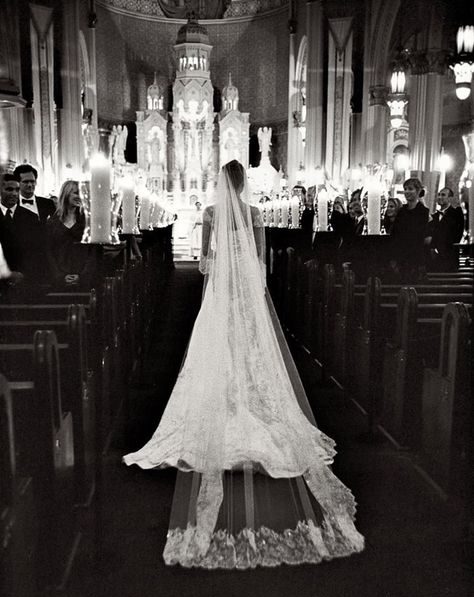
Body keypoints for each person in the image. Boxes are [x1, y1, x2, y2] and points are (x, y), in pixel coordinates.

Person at [123, 160, 364, 569]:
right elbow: (260, 260)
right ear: (243, 184)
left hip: (221, 288)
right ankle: (254, 403)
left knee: (215, 347)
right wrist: (252, 285)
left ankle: (219, 403)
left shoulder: (209, 213)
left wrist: (217, 279)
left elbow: (202, 260)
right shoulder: (252, 214)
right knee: (252, 347)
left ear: (221, 184)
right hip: (246, 289)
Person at [0, 172, 49, 285]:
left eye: (17, 190)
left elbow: (37, 251)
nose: (14, 193)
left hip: (25, 280)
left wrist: (24, 274)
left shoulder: (30, 218)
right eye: (9, 189)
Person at [46, 180, 95, 287]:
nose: (80, 196)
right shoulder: (52, 222)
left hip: (84, 278)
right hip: (59, 279)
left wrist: (83, 276)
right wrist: (59, 276)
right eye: (76, 193)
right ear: (66, 194)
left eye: (82, 193)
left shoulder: (88, 221)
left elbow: (93, 251)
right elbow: (49, 253)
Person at [389, 178, 430, 280]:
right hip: (401, 257)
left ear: (418, 191)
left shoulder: (423, 211)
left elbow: (418, 235)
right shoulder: (402, 211)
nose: (406, 192)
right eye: (405, 189)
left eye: (410, 189)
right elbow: (395, 233)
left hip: (415, 257)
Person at [426, 187, 465, 271]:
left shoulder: (456, 214)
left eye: (443, 195)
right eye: (439, 195)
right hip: (433, 259)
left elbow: (456, 236)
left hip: (449, 257)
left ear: (450, 198)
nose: (440, 197)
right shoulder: (434, 217)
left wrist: (436, 242)